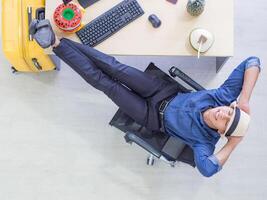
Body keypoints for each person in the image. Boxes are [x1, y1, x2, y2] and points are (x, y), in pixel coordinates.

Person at [29, 19, 261, 177]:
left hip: (152, 117)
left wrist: (233, 143)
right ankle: (60, 41)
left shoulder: (204, 143)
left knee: (104, 83)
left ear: (221, 132)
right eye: (229, 112)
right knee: (114, 67)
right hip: (162, 92)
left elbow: (208, 170)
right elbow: (252, 61)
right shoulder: (222, 98)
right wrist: (245, 100)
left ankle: (53, 43)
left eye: (224, 121)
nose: (222, 114)